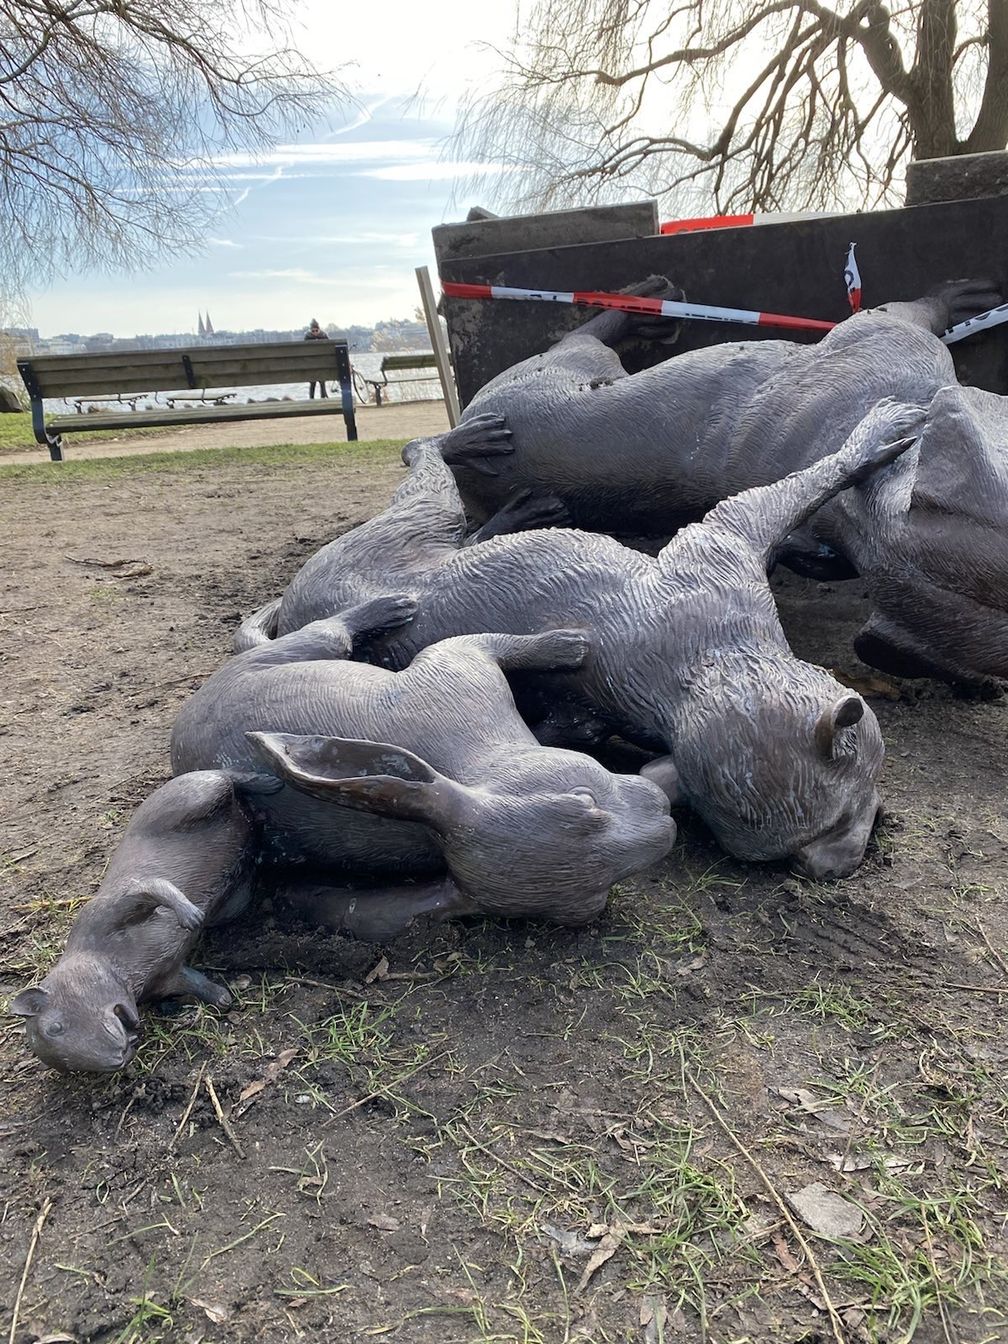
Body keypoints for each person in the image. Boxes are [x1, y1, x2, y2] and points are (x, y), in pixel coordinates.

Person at [303, 318, 329, 399]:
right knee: (319, 380)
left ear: (319, 329)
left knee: (315, 380)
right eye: (313, 331)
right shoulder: (324, 336)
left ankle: (314, 397)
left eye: (316, 330)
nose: (314, 333)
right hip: (318, 364)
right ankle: (323, 396)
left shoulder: (307, 337)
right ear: (310, 330)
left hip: (313, 364)